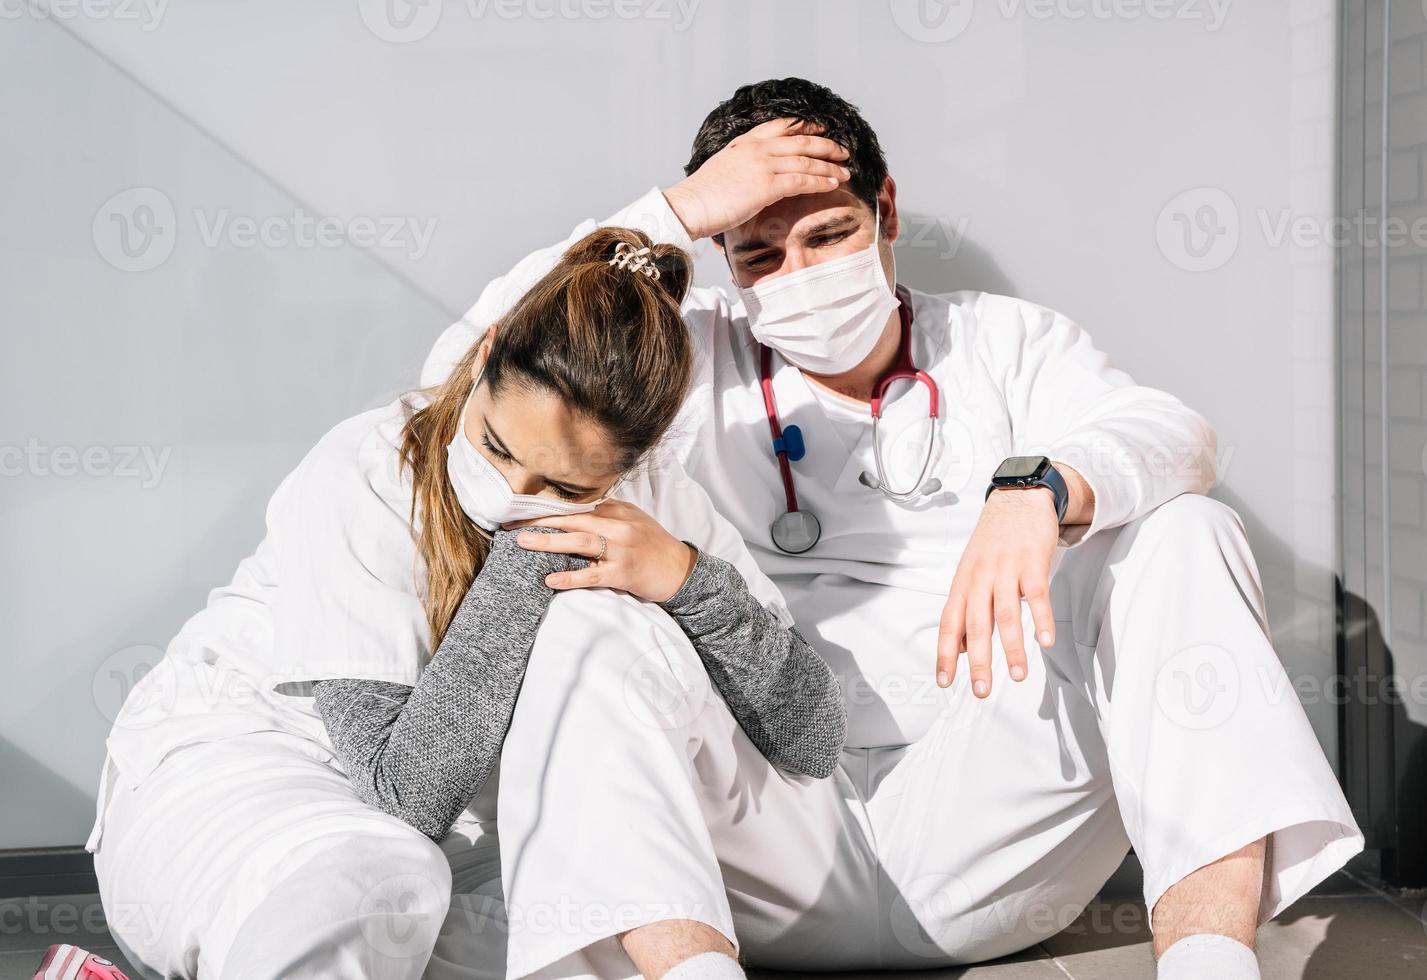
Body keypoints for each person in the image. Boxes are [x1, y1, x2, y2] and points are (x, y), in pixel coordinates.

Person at [421, 78, 1363, 980]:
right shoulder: (678, 358)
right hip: (763, 839)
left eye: (829, 235)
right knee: (593, 611)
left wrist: (1036, 487)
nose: (799, 276)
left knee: (1182, 530)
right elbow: (473, 377)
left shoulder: (1003, 342)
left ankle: (1209, 962)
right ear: (721, 255)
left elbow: (1174, 437)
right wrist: (672, 210)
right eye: (757, 255)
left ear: (889, 212)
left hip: (993, 815)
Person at [83, 228, 846, 980]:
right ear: (484, 358)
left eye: (567, 487)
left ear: (634, 463)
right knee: (379, 882)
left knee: (600, 947)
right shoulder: (369, 467)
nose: (517, 494)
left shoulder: (659, 503)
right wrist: (535, 550)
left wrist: (686, 578)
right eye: (498, 448)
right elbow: (401, 795)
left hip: (467, 829)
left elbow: (810, 740)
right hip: (253, 774)